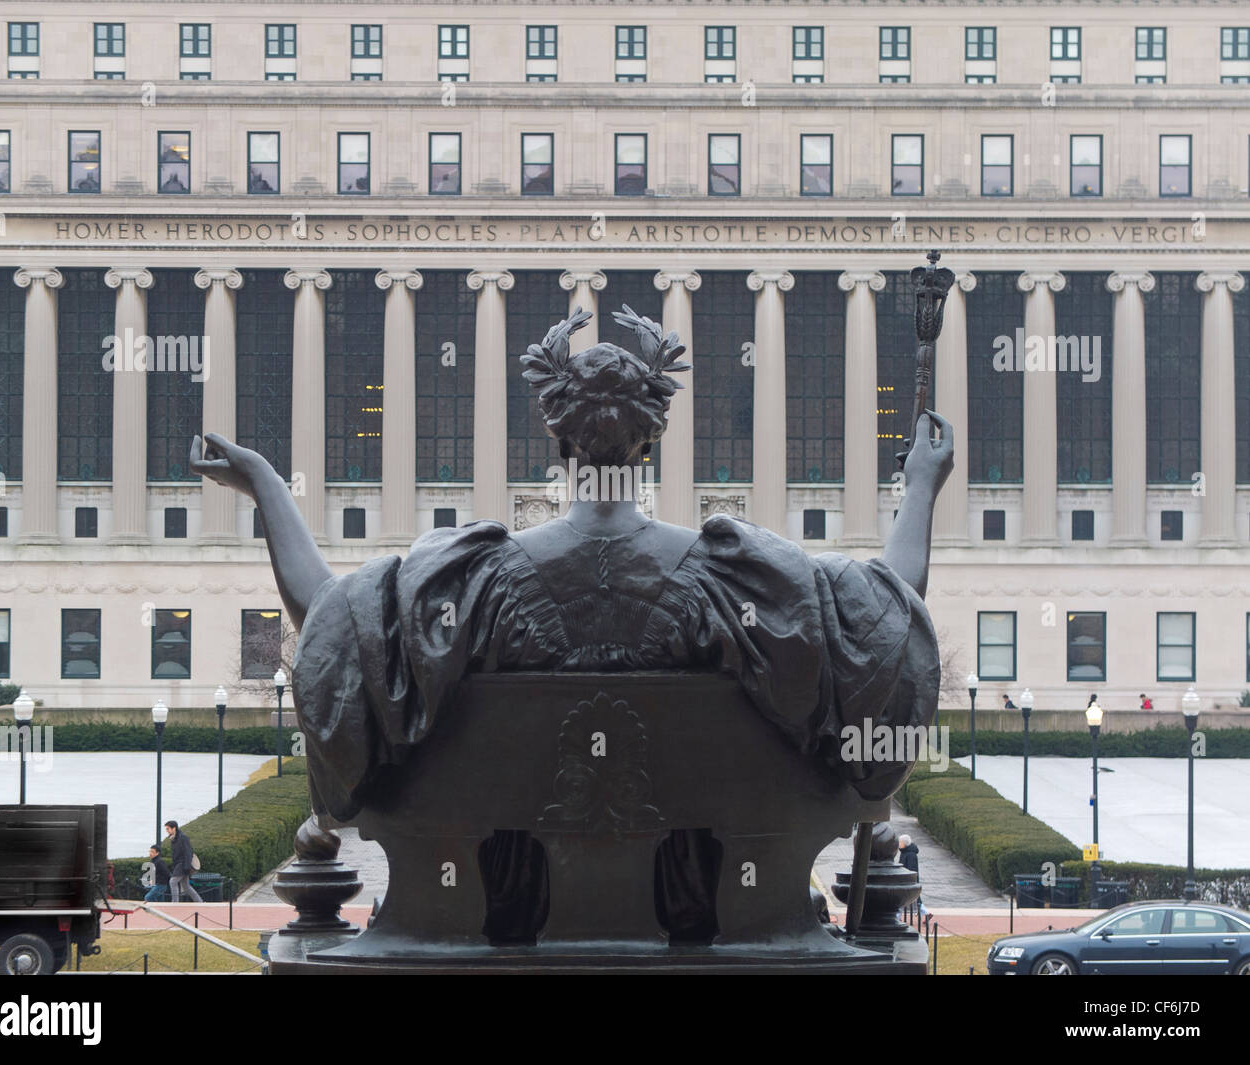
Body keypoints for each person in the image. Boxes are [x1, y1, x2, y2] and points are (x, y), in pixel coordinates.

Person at [190, 305, 953, 942]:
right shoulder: (737, 584)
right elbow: (886, 634)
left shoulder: (470, 585)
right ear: (651, 445)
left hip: (507, 922)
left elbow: (329, 629)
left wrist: (264, 486)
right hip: (704, 923)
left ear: (556, 444)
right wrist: (920, 486)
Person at [163, 820, 203, 903]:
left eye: (168, 829)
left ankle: (175, 903)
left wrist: (187, 866)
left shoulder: (183, 838)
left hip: (182, 864)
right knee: (186, 886)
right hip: (179, 864)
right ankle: (200, 902)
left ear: (174, 828)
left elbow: (188, 852)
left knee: (173, 882)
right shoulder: (173, 839)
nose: (167, 831)